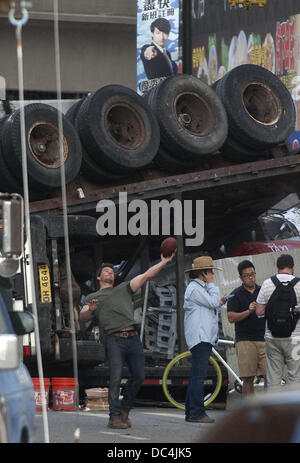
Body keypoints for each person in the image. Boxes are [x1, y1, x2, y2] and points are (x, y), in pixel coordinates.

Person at [79, 253, 174, 429]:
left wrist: (163, 262)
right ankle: (114, 417)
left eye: (112, 271)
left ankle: (124, 411)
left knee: (139, 375)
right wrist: (90, 310)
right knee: (115, 377)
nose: (110, 273)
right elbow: (82, 317)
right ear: (99, 277)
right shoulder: (93, 296)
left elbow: (146, 275)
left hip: (133, 338)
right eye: (106, 271)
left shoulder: (124, 288)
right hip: (114, 340)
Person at [183, 256, 226, 423]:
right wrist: (212, 286)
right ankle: (196, 413)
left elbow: (211, 304)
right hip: (200, 338)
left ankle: (191, 412)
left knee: (196, 376)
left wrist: (214, 296)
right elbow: (213, 302)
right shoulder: (195, 288)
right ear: (203, 274)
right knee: (198, 377)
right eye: (211, 273)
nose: (213, 276)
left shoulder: (199, 288)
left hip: (203, 338)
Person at [256, 254, 300, 388]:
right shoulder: (299, 284)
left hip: (272, 338)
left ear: (277, 267)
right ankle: (294, 408)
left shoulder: (267, 283)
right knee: (295, 377)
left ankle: (274, 408)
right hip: (295, 339)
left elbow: (259, 312)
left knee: (273, 378)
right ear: (293, 267)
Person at [227, 260, 266, 395]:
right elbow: (231, 318)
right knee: (248, 378)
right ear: (241, 278)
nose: (251, 278)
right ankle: (249, 413)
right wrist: (248, 311)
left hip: (264, 339)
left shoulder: (263, 291)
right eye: (247, 275)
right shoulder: (235, 294)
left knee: (269, 376)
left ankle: (269, 411)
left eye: (253, 274)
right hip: (245, 340)